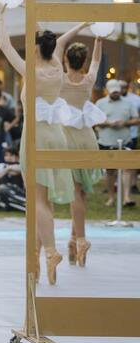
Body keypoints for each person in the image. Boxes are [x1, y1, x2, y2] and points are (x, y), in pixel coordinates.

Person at [0, 2, 83, 284]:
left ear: (35, 47)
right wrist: (81, 26)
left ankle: (50, 251)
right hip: (56, 135)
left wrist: (1, 13)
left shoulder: (29, 68)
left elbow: (4, 43)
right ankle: (37, 256)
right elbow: (60, 39)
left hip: (36, 136)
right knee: (43, 201)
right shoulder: (57, 63)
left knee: (37, 200)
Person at [61, 40, 105, 267]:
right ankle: (73, 239)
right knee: (81, 193)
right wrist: (98, 40)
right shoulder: (88, 80)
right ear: (83, 61)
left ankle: (80, 239)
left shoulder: (59, 80)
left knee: (75, 192)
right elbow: (97, 60)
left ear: (65, 59)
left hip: (68, 139)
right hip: (87, 138)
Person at [96, 78, 138, 208]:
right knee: (109, 171)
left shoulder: (128, 103)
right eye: (113, 92)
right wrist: (109, 123)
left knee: (127, 168)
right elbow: (95, 122)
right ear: (108, 91)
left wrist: (125, 123)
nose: (116, 94)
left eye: (117, 92)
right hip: (106, 141)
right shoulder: (100, 103)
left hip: (125, 140)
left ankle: (126, 197)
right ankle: (111, 197)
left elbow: (136, 119)